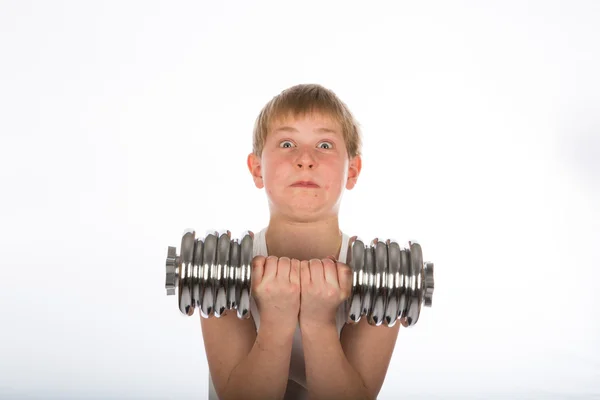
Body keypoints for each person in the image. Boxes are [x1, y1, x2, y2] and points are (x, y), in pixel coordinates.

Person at [200, 83, 403, 399]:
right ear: (257, 169)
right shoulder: (219, 265)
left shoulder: (383, 273)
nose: (305, 159)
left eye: (324, 145)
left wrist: (318, 322)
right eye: (286, 143)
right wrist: (277, 319)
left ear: (353, 171)